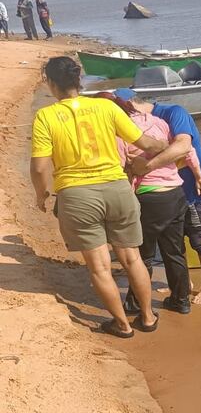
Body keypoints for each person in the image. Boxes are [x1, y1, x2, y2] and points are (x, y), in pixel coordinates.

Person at [30, 57, 166, 338]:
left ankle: (123, 325)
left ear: (51, 84)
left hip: (77, 195)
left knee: (100, 266)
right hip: (117, 188)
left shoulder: (46, 116)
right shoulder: (106, 106)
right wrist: (166, 145)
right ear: (78, 81)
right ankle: (148, 317)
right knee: (132, 259)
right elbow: (144, 143)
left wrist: (41, 194)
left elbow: (40, 166)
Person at [99, 91, 201, 315]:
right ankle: (181, 301)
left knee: (143, 255)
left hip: (149, 196)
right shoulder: (160, 122)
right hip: (175, 193)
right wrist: (199, 177)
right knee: (175, 251)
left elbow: (122, 167)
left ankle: (136, 303)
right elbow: (188, 150)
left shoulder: (121, 131)